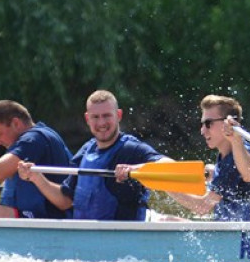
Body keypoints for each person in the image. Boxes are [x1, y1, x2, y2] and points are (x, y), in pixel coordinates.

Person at [18, 90, 165, 220]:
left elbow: (166, 164)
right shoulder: (86, 150)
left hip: (122, 238)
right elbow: (65, 201)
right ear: (87, 119)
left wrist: (135, 168)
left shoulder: (131, 149)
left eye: (107, 115)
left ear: (118, 115)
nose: (101, 123)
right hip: (85, 237)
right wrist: (36, 177)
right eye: (95, 117)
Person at [167, 95, 250, 221]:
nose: (202, 131)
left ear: (228, 123)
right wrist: (212, 173)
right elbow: (229, 181)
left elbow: (202, 207)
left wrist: (167, 186)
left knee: (168, 221)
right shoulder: (229, 155)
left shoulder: (234, 161)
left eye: (208, 123)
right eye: (202, 124)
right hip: (234, 228)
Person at [0, 100, 72, 218]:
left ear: (16, 123)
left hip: (50, 217)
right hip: (38, 214)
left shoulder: (32, 140)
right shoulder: (42, 135)